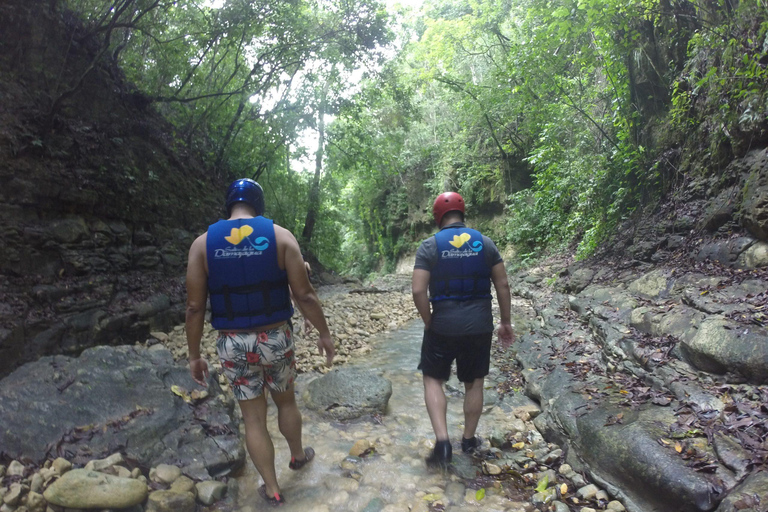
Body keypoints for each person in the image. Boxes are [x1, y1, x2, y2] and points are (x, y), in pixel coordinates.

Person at [185, 178, 335, 505]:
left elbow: (195, 306)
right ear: (259, 204)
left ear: (229, 205)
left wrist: (194, 355)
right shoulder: (280, 236)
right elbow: (305, 295)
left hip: (233, 344)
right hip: (275, 339)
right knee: (286, 402)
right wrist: (323, 333)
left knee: (253, 417)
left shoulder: (202, 245)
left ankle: (272, 488)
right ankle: (297, 456)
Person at [412, 191, 515, 467]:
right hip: (479, 325)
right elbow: (503, 284)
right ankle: (468, 440)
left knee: (433, 379)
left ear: (438, 217)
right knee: (475, 383)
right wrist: (505, 321)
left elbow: (418, 290)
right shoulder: (486, 243)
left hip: (443, 325)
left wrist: (428, 320)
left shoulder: (429, 246)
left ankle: (443, 443)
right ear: (463, 213)